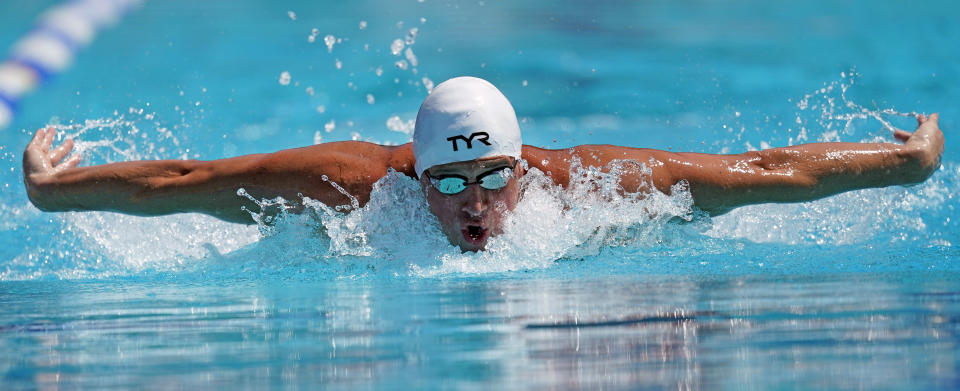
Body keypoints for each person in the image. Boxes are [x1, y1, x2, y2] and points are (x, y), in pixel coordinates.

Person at [22, 77, 945, 252]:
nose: (474, 203)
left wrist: (905, 166)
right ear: (416, 177)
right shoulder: (356, 186)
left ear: (520, 166)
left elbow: (767, 170)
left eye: (490, 177)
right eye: (449, 183)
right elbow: (193, 182)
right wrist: (53, 191)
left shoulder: (588, 187)